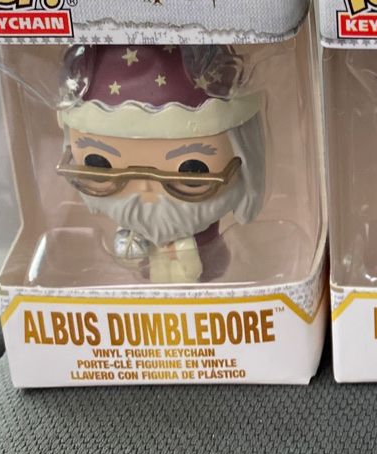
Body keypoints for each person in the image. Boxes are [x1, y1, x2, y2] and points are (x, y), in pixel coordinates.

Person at [57, 42, 266, 282]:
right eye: (99, 163)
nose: (146, 188)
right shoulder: (130, 232)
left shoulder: (201, 223)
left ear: (243, 150)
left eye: (193, 169)